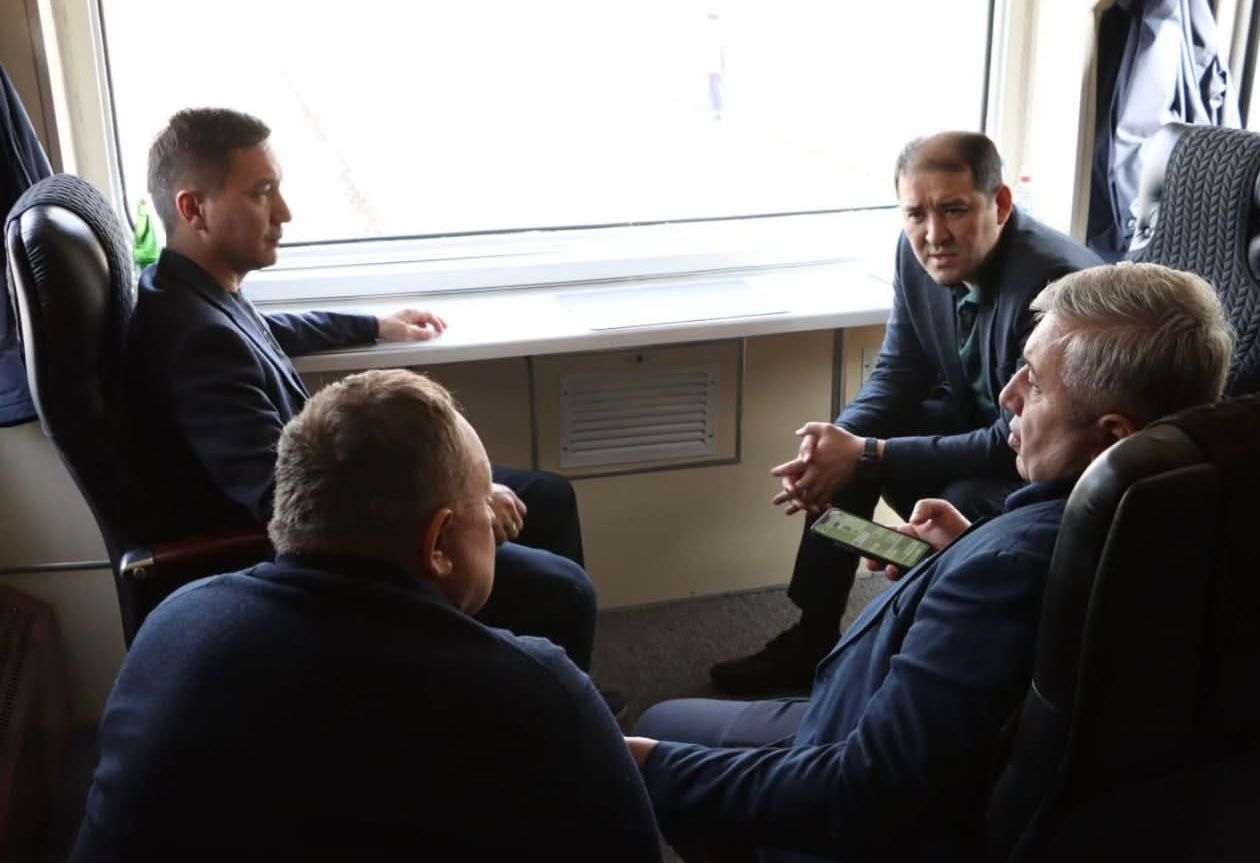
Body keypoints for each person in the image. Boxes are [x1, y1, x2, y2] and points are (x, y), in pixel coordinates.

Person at [628, 262, 1234, 862]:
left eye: (1035, 382)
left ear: (1113, 436)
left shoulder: (1005, 573)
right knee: (668, 718)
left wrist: (648, 765)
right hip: (927, 735)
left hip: (853, 772)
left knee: (652, 744)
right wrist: (968, 545)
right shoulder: (1182, 519)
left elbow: (863, 794)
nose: (1009, 396)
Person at [128, 107, 617, 709]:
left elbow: (270, 332)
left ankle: (550, 688)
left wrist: (373, 325)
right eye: (262, 193)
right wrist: (459, 500)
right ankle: (552, 719)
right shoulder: (195, 342)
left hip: (339, 498)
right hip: (332, 548)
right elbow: (275, 496)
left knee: (548, 498)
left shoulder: (195, 292)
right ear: (193, 209)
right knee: (564, 590)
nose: (284, 212)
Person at [71, 369, 662, 862]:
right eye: (483, 504)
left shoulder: (173, 621)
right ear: (439, 543)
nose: (493, 518)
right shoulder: (536, 693)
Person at [710, 131, 1104, 695]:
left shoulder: (1051, 283)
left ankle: (925, 653)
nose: (934, 234)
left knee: (944, 487)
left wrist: (869, 452)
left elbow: (1014, 434)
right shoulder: (915, 253)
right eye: (916, 214)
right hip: (978, 425)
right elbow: (899, 371)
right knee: (848, 455)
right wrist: (837, 441)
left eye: (954, 210)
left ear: (999, 204)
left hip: (1046, 462)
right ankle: (812, 637)